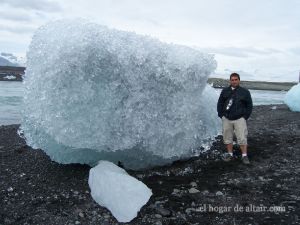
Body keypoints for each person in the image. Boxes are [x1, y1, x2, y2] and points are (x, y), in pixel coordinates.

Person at [217, 73, 253, 164]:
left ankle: (244, 155)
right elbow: (220, 103)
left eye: (236, 79)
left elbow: (249, 105)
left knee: (242, 137)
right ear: (230, 81)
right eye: (232, 80)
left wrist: (245, 117)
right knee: (227, 137)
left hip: (239, 119)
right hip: (227, 118)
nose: (234, 81)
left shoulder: (245, 92)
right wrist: (221, 115)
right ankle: (230, 154)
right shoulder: (225, 91)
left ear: (239, 80)